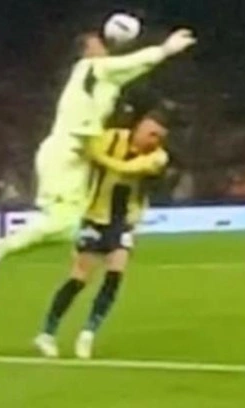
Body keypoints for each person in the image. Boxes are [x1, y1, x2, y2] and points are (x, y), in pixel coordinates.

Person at [0, 26, 196, 295]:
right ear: (85, 52)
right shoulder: (90, 67)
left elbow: (128, 71)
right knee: (65, 224)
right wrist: (164, 50)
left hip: (72, 156)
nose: (102, 46)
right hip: (66, 154)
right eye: (95, 43)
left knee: (67, 226)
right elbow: (129, 64)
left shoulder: (104, 80)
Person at [33, 110, 170, 358]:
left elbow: (125, 169)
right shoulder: (112, 138)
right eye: (151, 133)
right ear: (139, 128)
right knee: (79, 278)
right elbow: (81, 151)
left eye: (159, 137)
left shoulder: (158, 158)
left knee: (115, 274)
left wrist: (94, 153)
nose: (154, 141)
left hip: (124, 221)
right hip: (94, 216)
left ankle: (88, 333)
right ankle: (47, 333)